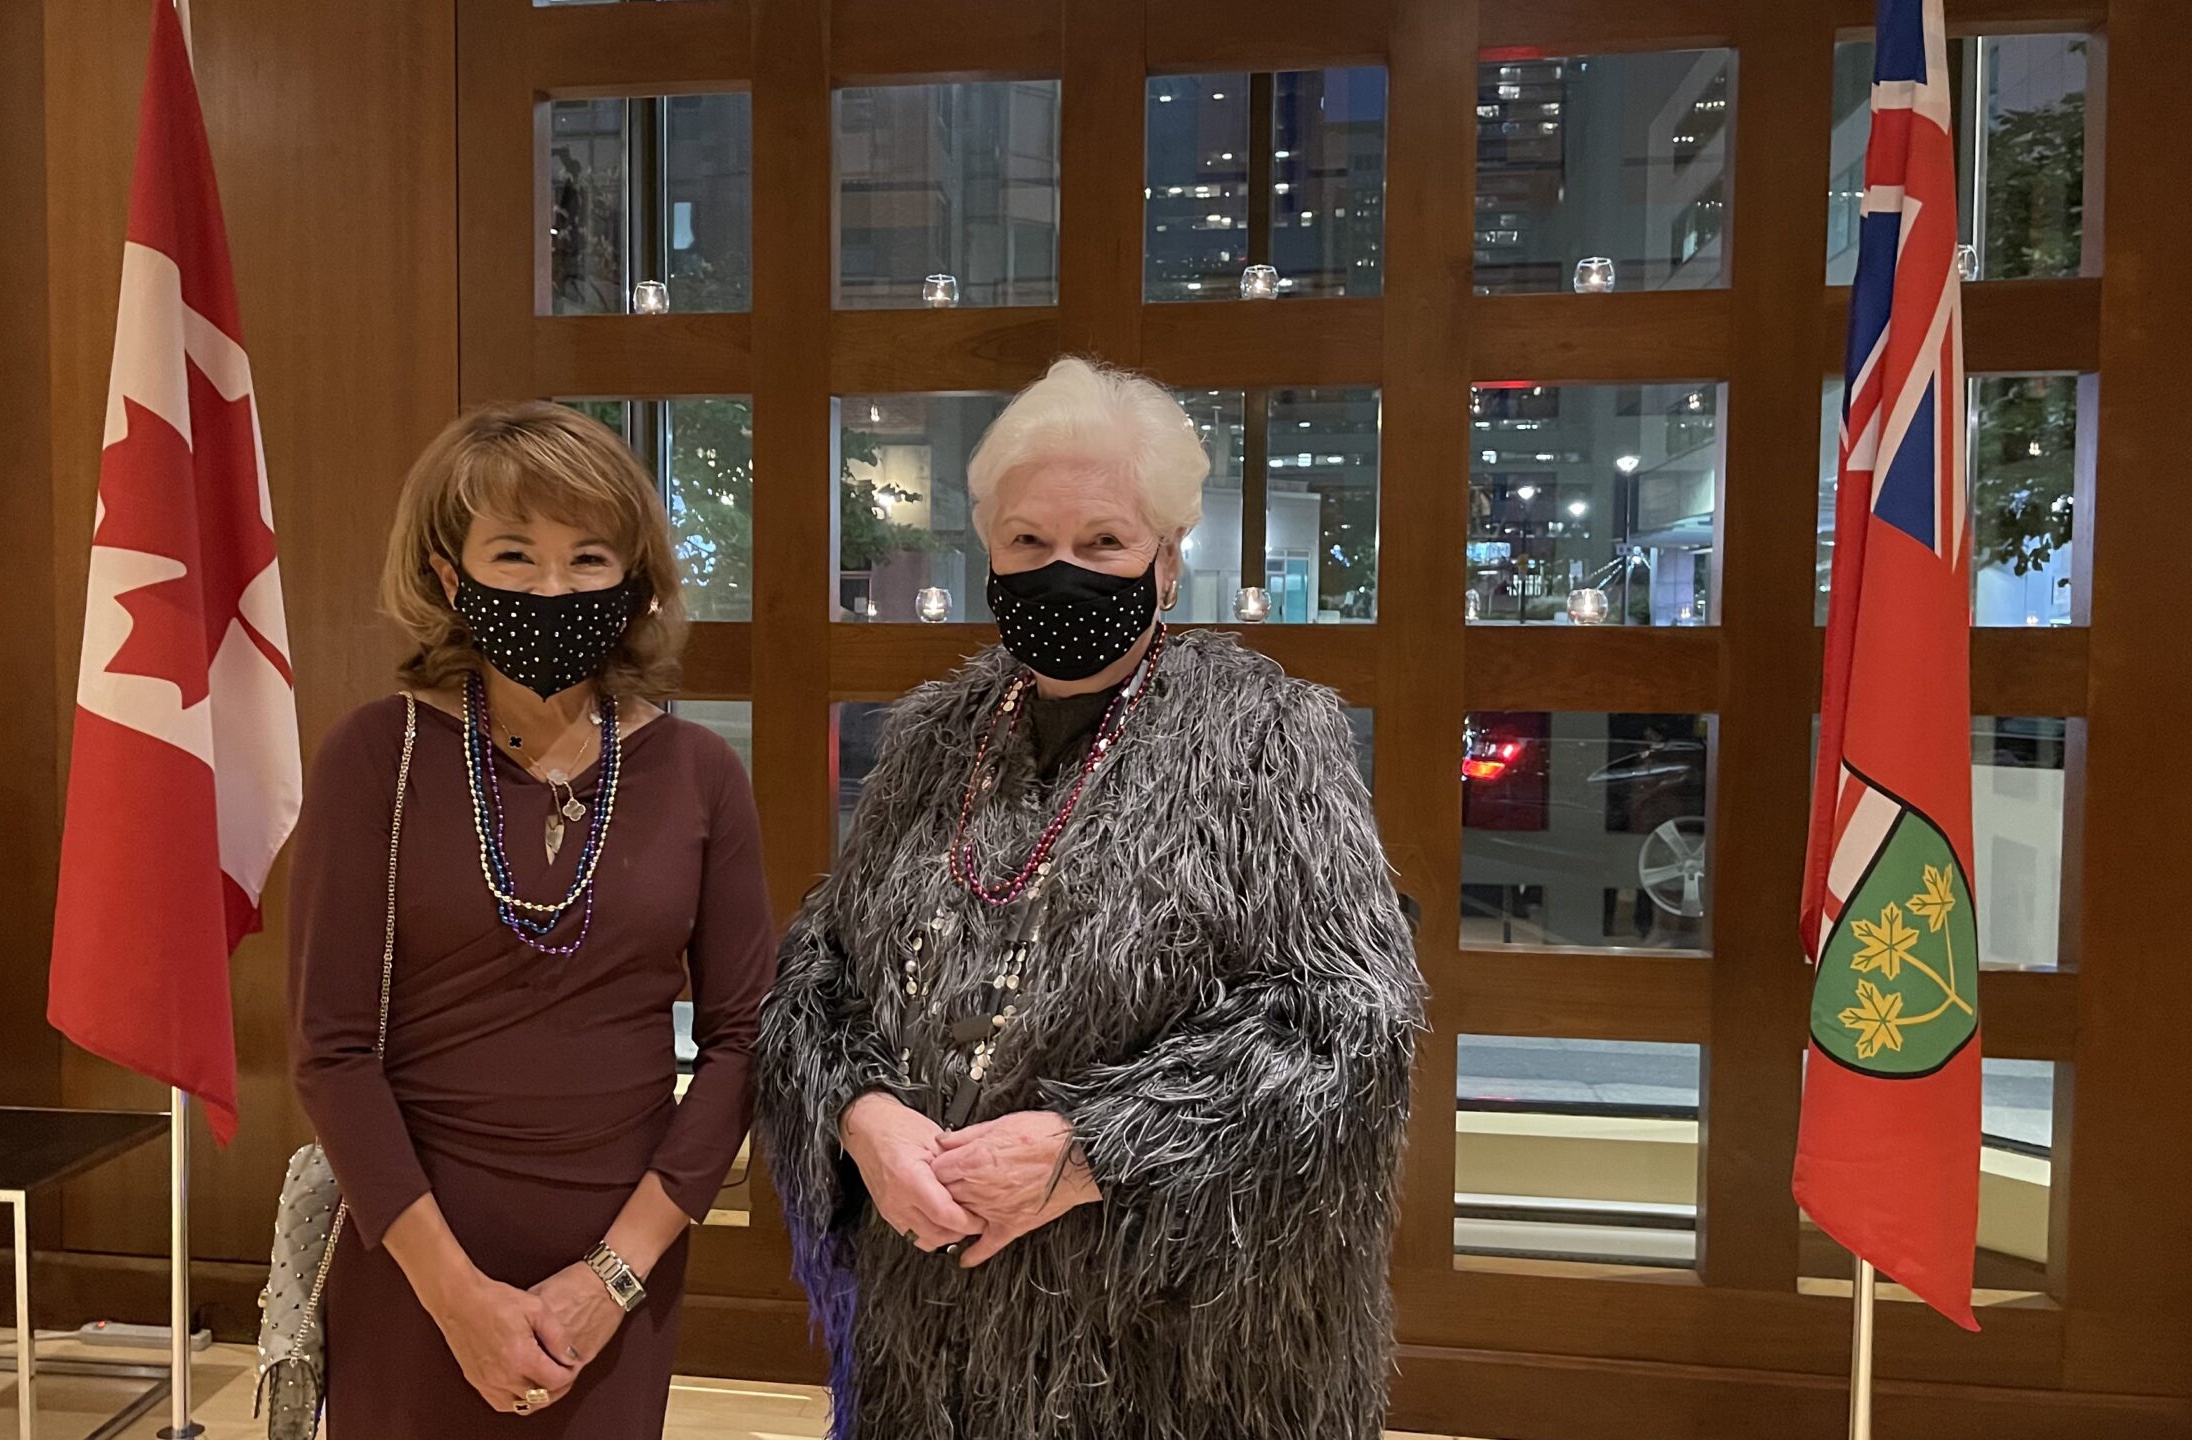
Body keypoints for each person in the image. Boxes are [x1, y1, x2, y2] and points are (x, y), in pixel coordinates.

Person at [758, 358, 1427, 1439]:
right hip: (933, 1325)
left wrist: (1092, 1147)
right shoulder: (934, 738)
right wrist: (861, 1113)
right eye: (1028, 541)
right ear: (988, 552)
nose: (1060, 571)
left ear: (1166, 559)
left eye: (1103, 541)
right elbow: (819, 970)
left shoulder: (1265, 737)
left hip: (1174, 1344)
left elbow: (1347, 1019)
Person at [290, 402, 774, 1436]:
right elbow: (331, 1050)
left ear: (634, 580)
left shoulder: (699, 773)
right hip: (413, 1258)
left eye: (587, 558)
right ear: (448, 575)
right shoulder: (373, 757)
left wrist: (613, 1277)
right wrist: (457, 1299)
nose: (552, 589)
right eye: (514, 554)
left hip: (621, 1265)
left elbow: (744, 1042)